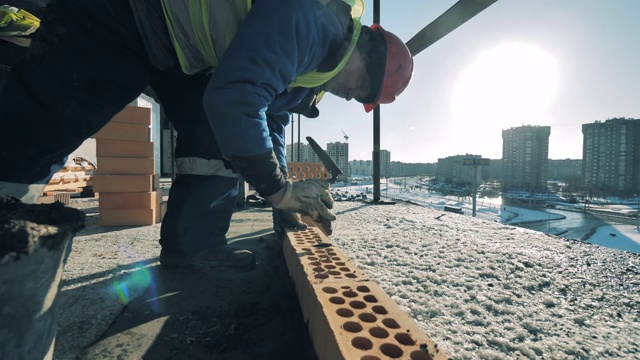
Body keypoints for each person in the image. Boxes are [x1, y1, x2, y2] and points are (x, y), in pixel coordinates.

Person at [0, 0, 413, 272]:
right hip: (128, 12)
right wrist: (278, 190)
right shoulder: (318, 22)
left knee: (213, 138)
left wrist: (285, 198)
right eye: (361, 89)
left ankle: (192, 247)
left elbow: (270, 121)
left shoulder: (318, 73)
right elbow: (236, 98)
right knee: (51, 114)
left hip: (179, 53)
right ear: (367, 56)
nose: (351, 96)